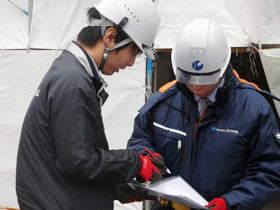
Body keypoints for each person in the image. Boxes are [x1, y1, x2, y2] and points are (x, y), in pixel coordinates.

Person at [16, 0, 162, 209]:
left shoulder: (70, 72)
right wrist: (136, 162)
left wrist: (113, 187)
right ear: (111, 37)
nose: (131, 62)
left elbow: (65, 162)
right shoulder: (73, 81)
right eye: (134, 51)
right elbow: (78, 161)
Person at [127, 18, 280, 210]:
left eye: (207, 78)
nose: (197, 85)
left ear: (223, 68)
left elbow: (270, 170)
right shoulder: (161, 103)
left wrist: (231, 202)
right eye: (188, 77)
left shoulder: (254, 108)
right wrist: (144, 157)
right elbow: (140, 140)